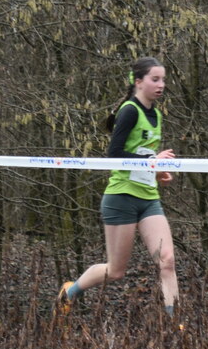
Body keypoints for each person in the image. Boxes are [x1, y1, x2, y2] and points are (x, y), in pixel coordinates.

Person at [56, 56, 178, 317]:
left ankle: (175, 323)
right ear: (138, 82)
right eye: (155, 79)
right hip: (122, 197)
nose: (161, 85)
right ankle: (69, 293)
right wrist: (152, 160)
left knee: (167, 260)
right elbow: (115, 155)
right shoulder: (130, 111)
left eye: (163, 80)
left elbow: (142, 155)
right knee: (116, 271)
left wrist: (158, 172)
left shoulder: (156, 114)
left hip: (149, 198)